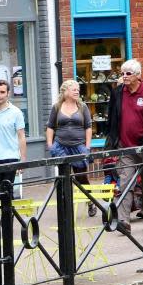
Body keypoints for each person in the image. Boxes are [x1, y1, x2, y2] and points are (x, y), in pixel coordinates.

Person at [105, 59, 143, 232]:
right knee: (125, 183)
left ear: (138, 76)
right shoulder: (117, 93)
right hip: (125, 147)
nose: (124, 77)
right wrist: (112, 142)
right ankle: (124, 221)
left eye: (128, 74)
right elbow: (111, 119)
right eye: (122, 73)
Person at [45, 80, 93, 212]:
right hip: (61, 146)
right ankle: (66, 205)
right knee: (63, 176)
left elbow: (88, 127)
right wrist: (50, 145)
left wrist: (87, 147)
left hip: (78, 146)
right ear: (65, 91)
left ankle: (91, 201)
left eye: (78, 89)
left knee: (81, 177)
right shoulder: (56, 107)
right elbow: (50, 127)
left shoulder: (83, 107)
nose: (77, 91)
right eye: (74, 89)